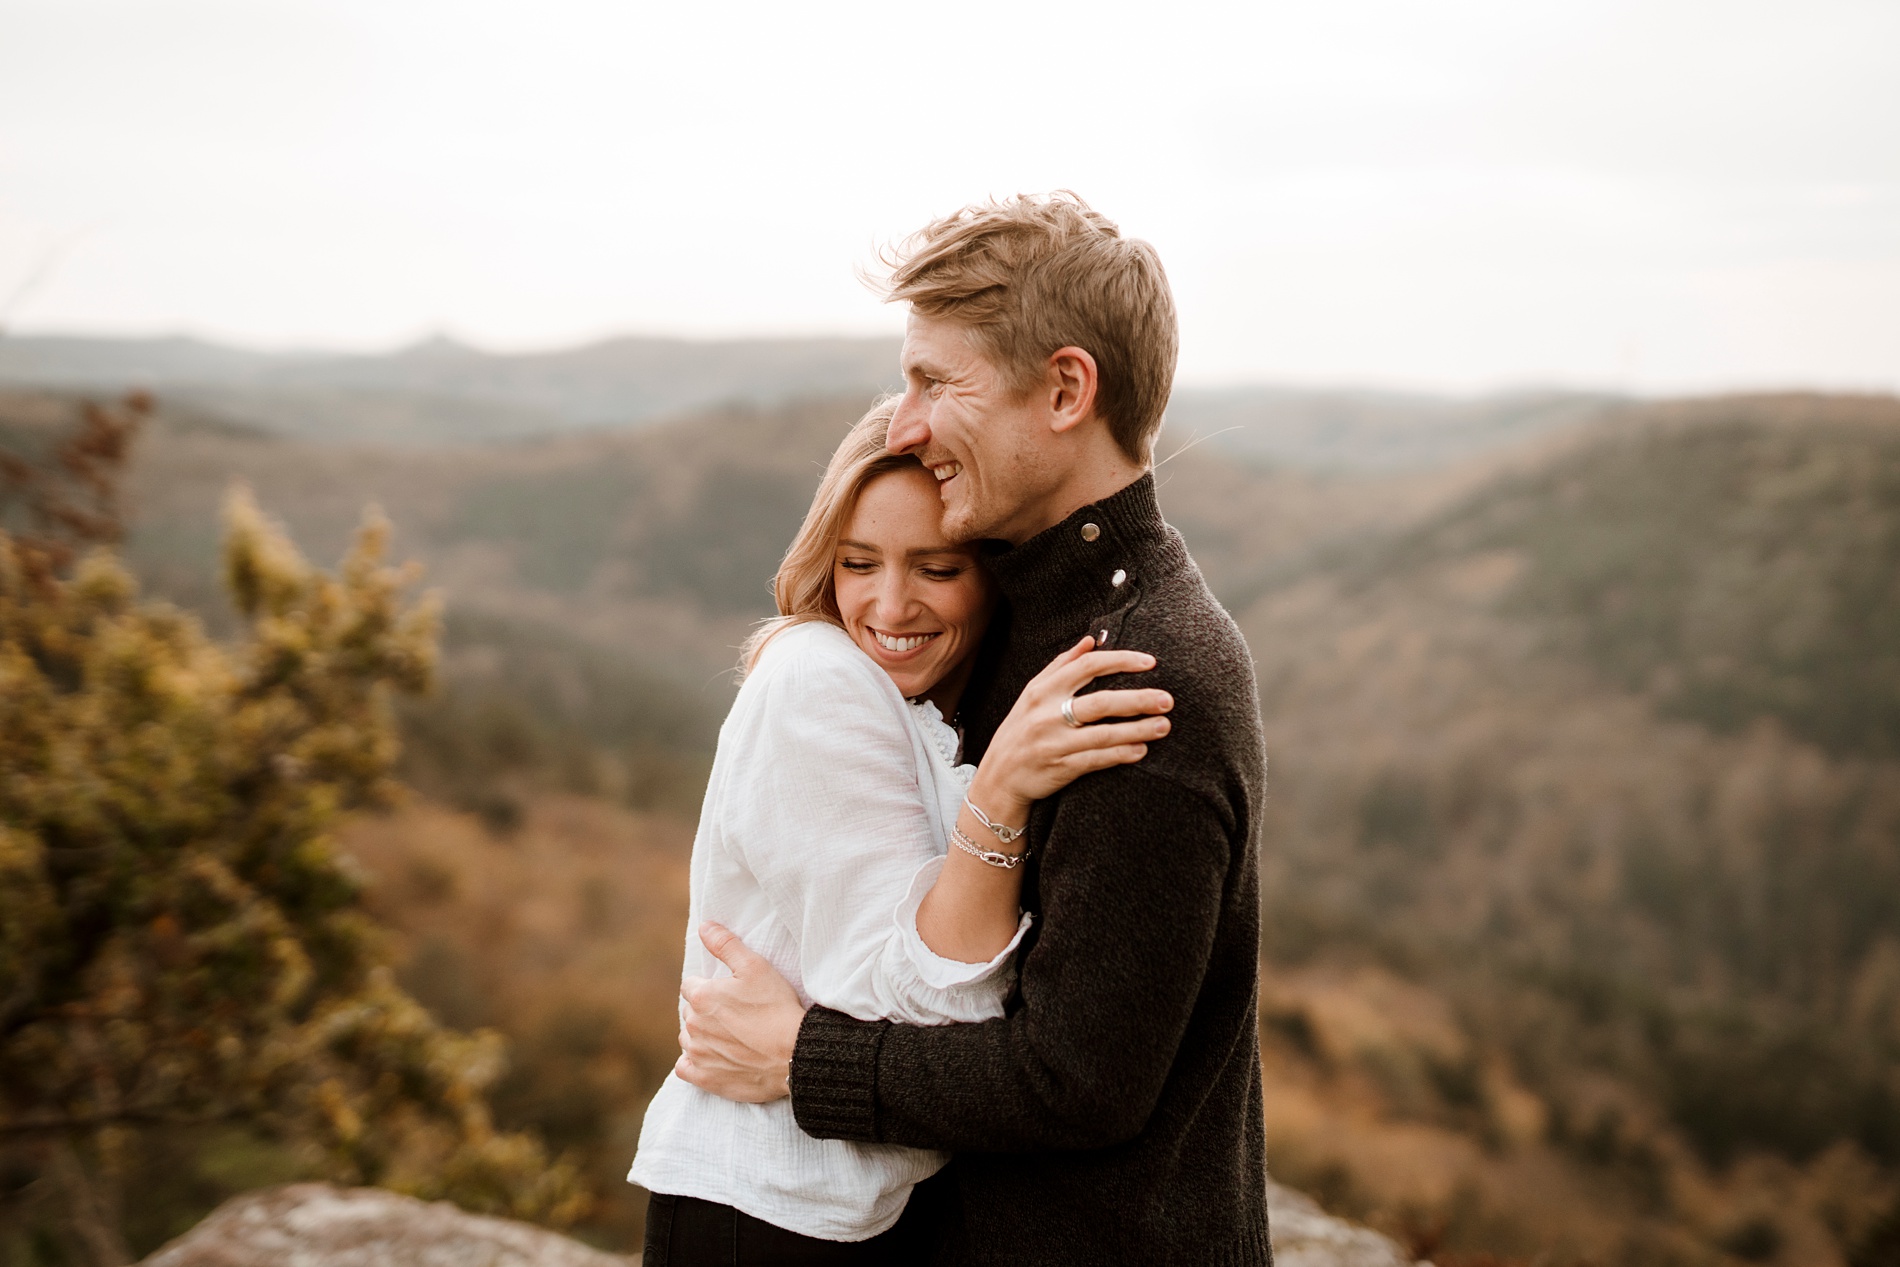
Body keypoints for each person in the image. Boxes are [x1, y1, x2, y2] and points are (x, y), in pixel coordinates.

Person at [675, 194, 1273, 1266]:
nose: (903, 424)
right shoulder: (1004, 622)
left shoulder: (1142, 677)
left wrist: (803, 1058)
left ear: (1064, 389)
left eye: (935, 382)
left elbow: (1076, 1082)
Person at [631, 398, 1175, 1265]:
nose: (890, 605)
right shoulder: (820, 681)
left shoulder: (916, 707)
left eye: (936, 568)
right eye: (858, 562)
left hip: (842, 1210)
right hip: (767, 1211)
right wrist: (998, 794)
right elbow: (914, 1005)